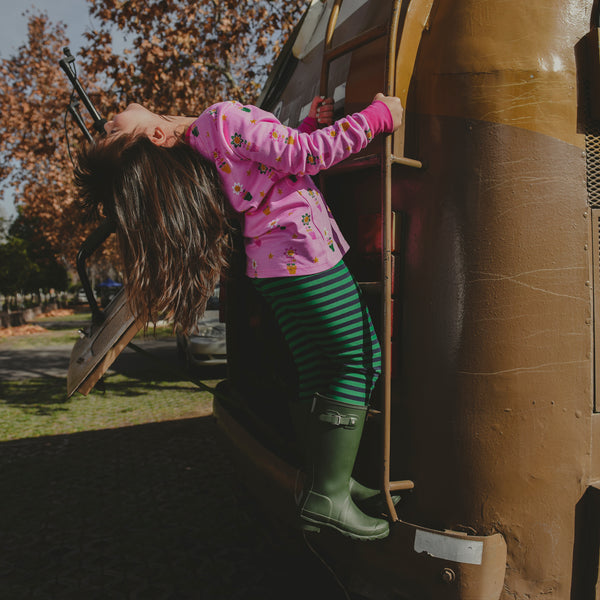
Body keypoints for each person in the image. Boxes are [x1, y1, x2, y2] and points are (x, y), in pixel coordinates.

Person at [75, 92, 403, 541]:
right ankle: (327, 494)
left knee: (316, 367)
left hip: (271, 268)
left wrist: (304, 126)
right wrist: (378, 117)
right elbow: (307, 157)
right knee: (358, 361)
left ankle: (327, 478)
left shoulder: (201, 144)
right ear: (154, 134)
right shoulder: (221, 119)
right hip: (303, 255)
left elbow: (272, 171)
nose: (106, 122)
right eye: (111, 131)